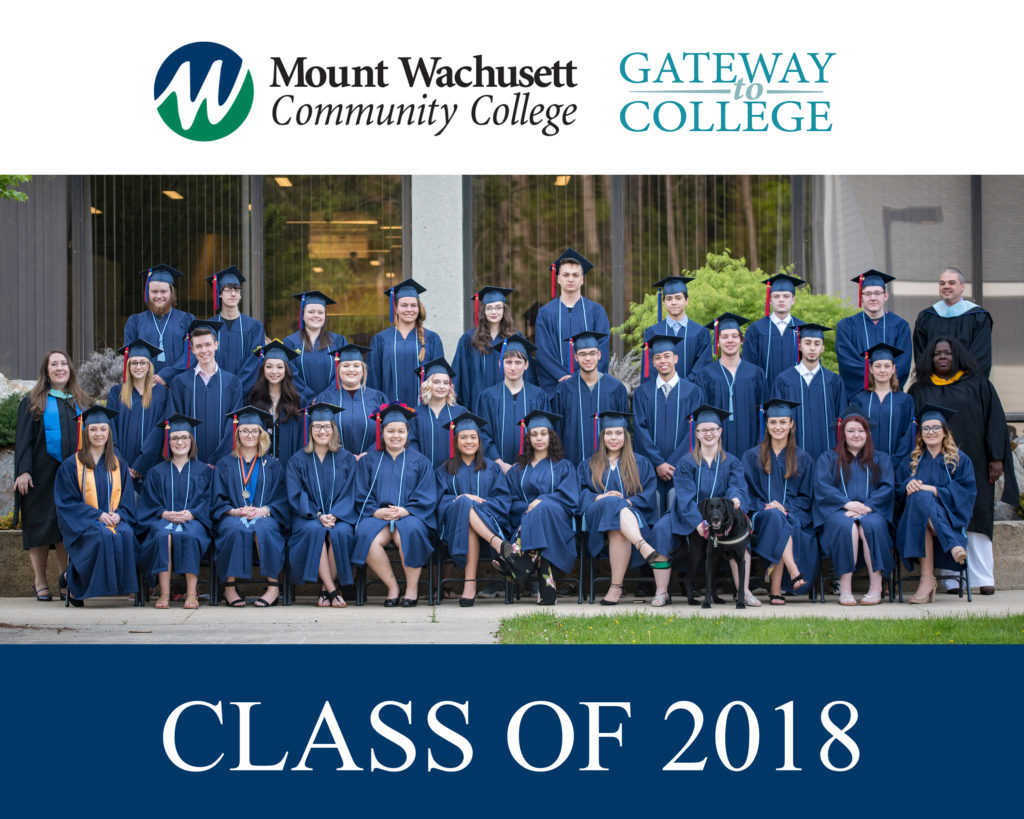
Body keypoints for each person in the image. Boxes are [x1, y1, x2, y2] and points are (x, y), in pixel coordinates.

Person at [907, 336, 1017, 595]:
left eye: (947, 353)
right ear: (929, 359)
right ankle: (951, 579)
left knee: (976, 516)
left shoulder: (978, 383)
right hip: (932, 465)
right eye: (937, 354)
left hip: (975, 462)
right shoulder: (920, 389)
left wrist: (996, 457)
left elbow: (995, 421)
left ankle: (982, 576)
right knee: (940, 511)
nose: (942, 357)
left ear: (957, 356)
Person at [651, 405, 757, 607]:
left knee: (741, 534)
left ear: (720, 431)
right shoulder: (686, 463)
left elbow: (737, 487)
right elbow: (684, 497)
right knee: (661, 529)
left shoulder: (733, 462)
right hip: (686, 514)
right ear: (696, 433)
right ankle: (662, 591)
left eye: (713, 429)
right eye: (703, 430)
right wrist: (698, 522)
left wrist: (735, 500)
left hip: (723, 517)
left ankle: (743, 591)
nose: (708, 434)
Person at [14, 350, 91, 601]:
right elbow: (23, 440)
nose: (59, 368)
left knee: (64, 526)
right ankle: (40, 580)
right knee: (38, 525)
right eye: (53, 364)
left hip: (71, 475)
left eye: (63, 364)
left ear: (70, 369)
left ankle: (65, 577)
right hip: (41, 473)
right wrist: (23, 471)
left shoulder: (80, 401)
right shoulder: (34, 400)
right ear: (46, 371)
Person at [54, 406, 140, 606]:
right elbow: (67, 502)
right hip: (84, 523)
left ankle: (118, 588)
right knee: (101, 535)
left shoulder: (118, 464)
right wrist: (98, 515)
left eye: (103, 429)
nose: (98, 434)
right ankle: (75, 584)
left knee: (125, 533)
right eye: (93, 429)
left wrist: (119, 515)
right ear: (85, 432)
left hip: (115, 519)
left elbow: (127, 500)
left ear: (109, 432)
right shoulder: (71, 465)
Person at [352, 403, 436, 606]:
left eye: (400, 431)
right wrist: (376, 511)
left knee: (412, 533)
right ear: (382, 433)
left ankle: (412, 589)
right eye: (390, 431)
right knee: (365, 536)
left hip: (410, 515)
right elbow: (361, 492)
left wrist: (406, 510)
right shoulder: (369, 460)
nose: (395, 435)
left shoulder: (421, 461)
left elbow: (426, 493)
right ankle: (392, 587)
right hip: (378, 516)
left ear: (408, 433)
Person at [577, 411, 662, 605]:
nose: (613, 438)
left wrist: (626, 502)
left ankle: (615, 588)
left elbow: (648, 495)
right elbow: (580, 495)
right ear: (602, 436)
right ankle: (642, 545)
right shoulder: (588, 464)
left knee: (618, 527)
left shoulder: (641, 463)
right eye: (608, 433)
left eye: (618, 433)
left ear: (626, 436)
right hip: (596, 516)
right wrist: (601, 497)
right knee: (611, 503)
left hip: (629, 517)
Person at [895, 405, 976, 603]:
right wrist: (908, 484)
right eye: (926, 429)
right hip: (915, 522)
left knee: (922, 498)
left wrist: (935, 490)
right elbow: (897, 490)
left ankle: (927, 580)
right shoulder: (911, 461)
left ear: (944, 432)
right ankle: (953, 545)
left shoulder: (959, 460)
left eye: (935, 428)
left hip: (950, 518)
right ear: (920, 434)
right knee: (918, 497)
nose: (930, 432)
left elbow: (967, 492)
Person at [813, 409, 895, 606]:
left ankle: (875, 588)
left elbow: (887, 487)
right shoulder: (828, 458)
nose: (856, 435)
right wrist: (847, 504)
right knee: (845, 525)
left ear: (868, 433)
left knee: (872, 525)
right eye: (850, 431)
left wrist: (866, 507)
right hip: (839, 511)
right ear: (842, 434)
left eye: (861, 430)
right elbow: (822, 486)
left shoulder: (881, 458)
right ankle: (845, 587)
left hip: (872, 511)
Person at [211, 406, 291, 607]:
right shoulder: (224, 464)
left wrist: (264, 510)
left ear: (261, 433)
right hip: (233, 515)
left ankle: (273, 587)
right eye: (244, 431)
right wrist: (235, 511)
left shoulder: (272, 464)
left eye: (254, 430)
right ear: (237, 434)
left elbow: (281, 498)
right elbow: (217, 499)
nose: (249, 435)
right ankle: (229, 588)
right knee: (233, 528)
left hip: (264, 515)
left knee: (265, 528)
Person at [435, 412, 514, 606]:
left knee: (467, 511)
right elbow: (437, 502)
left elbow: (502, 500)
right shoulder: (444, 469)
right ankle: (498, 545)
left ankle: (469, 585)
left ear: (479, 441)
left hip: (488, 520)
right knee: (463, 504)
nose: (468, 441)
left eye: (473, 437)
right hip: (453, 526)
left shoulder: (492, 468)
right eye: (463, 437)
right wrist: (462, 498)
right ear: (455, 441)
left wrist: (475, 505)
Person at [742, 398, 816, 604]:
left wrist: (785, 508)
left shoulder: (803, 458)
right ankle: (792, 572)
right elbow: (744, 492)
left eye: (783, 422)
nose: (778, 427)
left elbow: (806, 497)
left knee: (780, 518)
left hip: (792, 514)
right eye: (773, 422)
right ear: (766, 424)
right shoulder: (751, 456)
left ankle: (776, 589)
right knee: (775, 516)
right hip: (759, 516)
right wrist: (765, 506)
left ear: (791, 424)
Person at [286, 402, 357, 608]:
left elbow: (351, 491)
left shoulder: (346, 458)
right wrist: (317, 515)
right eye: (316, 427)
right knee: (314, 531)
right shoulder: (297, 460)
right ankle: (333, 589)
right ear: (309, 429)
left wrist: (335, 514)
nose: (322, 431)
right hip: (307, 516)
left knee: (341, 533)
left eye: (327, 426)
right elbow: (295, 493)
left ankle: (326, 591)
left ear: (334, 429)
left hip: (340, 516)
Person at [137, 414, 212, 609]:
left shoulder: (203, 471)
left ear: (191, 440)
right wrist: (163, 513)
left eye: (184, 437)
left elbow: (208, 500)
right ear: (168, 442)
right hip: (163, 520)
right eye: (174, 438)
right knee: (163, 535)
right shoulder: (156, 472)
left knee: (191, 533)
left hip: (194, 520)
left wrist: (192, 514)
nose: (180, 442)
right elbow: (148, 503)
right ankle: (164, 593)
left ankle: (192, 594)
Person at [504, 410, 580, 605]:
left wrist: (543, 501)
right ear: (528, 438)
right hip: (525, 518)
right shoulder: (517, 470)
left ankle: (520, 559)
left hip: (558, 520)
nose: (539, 438)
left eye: (543, 433)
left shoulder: (564, 466)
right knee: (540, 515)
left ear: (551, 436)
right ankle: (547, 589)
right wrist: (532, 507)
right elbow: (510, 502)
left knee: (544, 510)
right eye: (534, 434)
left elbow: (570, 498)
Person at [633, 333, 705, 514]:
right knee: (652, 511)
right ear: (653, 362)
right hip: (651, 468)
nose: (662, 361)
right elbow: (640, 429)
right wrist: (658, 463)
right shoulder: (642, 393)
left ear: (676, 358)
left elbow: (694, 430)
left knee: (679, 512)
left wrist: (674, 464)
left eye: (667, 356)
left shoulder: (693, 392)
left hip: (682, 466)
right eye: (657, 357)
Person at [533, 248, 610, 392]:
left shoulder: (596, 311)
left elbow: (603, 348)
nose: (570, 279)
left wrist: (583, 378)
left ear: (582, 279)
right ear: (558, 279)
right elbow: (543, 352)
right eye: (566, 275)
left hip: (589, 387)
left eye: (575, 275)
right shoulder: (545, 313)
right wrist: (562, 376)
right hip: (557, 387)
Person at [169, 319, 242, 466]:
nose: (204, 350)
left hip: (223, 463)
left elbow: (234, 426)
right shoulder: (180, 382)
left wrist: (218, 459)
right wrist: (188, 458)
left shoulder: (232, 382)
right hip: (189, 462)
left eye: (208, 344)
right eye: (199, 346)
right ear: (192, 349)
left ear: (216, 345)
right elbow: (176, 422)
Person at [770, 323, 846, 460]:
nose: (812, 348)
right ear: (799, 346)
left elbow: (842, 419)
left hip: (828, 453)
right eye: (807, 343)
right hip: (792, 455)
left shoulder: (834, 381)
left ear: (822, 348)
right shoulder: (783, 380)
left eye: (817, 344)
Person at [694, 313, 766, 457]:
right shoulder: (706, 374)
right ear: (718, 342)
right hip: (716, 449)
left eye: (734, 336)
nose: (730, 340)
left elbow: (764, 412)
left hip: (752, 447)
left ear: (741, 340)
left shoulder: (755, 373)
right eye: (724, 337)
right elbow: (703, 415)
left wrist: (760, 445)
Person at [552, 330, 629, 466]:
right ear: (576, 357)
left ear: (599, 355)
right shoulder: (564, 389)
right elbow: (558, 429)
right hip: (571, 463)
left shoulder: (616, 388)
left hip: (608, 466)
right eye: (583, 354)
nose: (588, 358)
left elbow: (624, 429)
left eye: (592, 353)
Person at [475, 334, 550, 472]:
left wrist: (530, 463)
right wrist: (498, 462)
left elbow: (546, 434)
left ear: (526, 365)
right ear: (500, 364)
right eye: (508, 362)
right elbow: (483, 434)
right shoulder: (487, 397)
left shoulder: (539, 396)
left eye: (518, 362)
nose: (513, 367)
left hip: (531, 470)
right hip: (495, 469)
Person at [835, 270, 912, 398]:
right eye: (868, 293)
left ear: (885, 296)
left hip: (891, 397)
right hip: (858, 397)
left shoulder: (900, 326)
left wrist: (884, 386)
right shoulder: (846, 326)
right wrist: (875, 380)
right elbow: (847, 361)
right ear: (861, 296)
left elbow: (903, 362)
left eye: (877, 293)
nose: (873, 298)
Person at [368, 278, 444, 406]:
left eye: (413, 305)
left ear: (419, 308)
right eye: (404, 305)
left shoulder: (431, 338)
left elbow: (439, 377)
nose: (409, 309)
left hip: (424, 409)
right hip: (390, 410)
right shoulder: (381, 339)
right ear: (395, 308)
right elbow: (373, 378)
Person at [107, 339, 169, 489]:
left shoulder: (162, 393)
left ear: (149, 366)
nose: (138, 367)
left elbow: (160, 430)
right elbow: (110, 428)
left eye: (143, 363)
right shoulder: (117, 392)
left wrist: (141, 464)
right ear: (128, 366)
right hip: (122, 466)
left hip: (152, 465)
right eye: (134, 363)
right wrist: (120, 464)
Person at [913, 267, 993, 378]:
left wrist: (963, 383)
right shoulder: (926, 317)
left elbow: (981, 356)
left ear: (962, 286)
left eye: (951, 283)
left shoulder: (978, 317)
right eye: (942, 283)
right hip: (934, 386)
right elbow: (921, 355)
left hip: (967, 387)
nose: (946, 286)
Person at [122, 264, 195, 385]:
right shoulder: (135, 322)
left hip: (177, 386)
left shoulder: (186, 320)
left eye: (163, 291)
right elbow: (130, 355)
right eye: (154, 292)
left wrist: (166, 376)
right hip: (145, 387)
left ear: (172, 293)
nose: (159, 296)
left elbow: (191, 353)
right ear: (147, 293)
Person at [313, 343, 388, 458]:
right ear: (338, 369)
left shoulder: (378, 398)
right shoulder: (325, 398)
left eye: (356, 366)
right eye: (346, 365)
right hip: (335, 462)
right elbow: (319, 432)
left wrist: (370, 453)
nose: (351, 370)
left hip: (372, 461)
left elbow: (389, 429)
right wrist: (344, 455)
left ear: (363, 370)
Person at [848, 342, 915, 467]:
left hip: (897, 466)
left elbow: (908, 435)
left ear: (893, 369)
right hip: (864, 465)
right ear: (871, 369)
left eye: (887, 366)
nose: (882, 370)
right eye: (878, 366)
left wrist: (894, 463)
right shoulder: (858, 400)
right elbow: (853, 433)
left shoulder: (905, 400)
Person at [452, 286, 519, 410]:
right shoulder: (468, 339)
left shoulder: (515, 338)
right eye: (489, 308)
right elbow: (459, 372)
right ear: (483, 311)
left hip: (508, 403)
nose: (494, 312)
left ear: (504, 310)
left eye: (498, 308)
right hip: (477, 404)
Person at [206, 265, 266, 395]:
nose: (233, 294)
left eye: (237, 290)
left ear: (240, 296)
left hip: (245, 393)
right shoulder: (209, 327)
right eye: (228, 290)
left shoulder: (254, 326)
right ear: (219, 294)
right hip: (214, 391)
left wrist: (236, 386)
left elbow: (254, 362)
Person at [641, 275, 712, 383]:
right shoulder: (652, 332)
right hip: (661, 395)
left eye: (678, 298)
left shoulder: (701, 333)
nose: (673, 302)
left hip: (691, 395)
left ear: (686, 300)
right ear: (664, 302)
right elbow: (649, 368)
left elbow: (702, 368)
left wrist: (684, 388)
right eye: (669, 298)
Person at [741, 272, 806, 388]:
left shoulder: (803, 329)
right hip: (765, 397)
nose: (781, 300)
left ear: (793, 300)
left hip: (797, 394)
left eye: (786, 296)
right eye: (776, 296)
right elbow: (748, 368)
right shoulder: (755, 330)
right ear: (770, 300)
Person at [283, 290, 347, 403]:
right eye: (311, 312)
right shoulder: (290, 343)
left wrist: (325, 397)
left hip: (332, 402)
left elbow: (344, 371)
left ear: (325, 316)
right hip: (300, 403)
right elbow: (290, 374)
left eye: (320, 312)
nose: (316, 316)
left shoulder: (338, 341)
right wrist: (310, 397)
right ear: (302, 315)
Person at [247, 340, 303, 465]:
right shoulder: (253, 399)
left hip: (289, 468)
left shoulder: (298, 401)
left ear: (286, 370)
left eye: (279, 367)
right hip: (260, 470)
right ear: (263, 369)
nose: (274, 371)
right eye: (269, 366)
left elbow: (301, 440)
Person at [410, 357, 472, 468]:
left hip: (453, 473)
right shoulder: (415, 415)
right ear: (427, 385)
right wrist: (421, 467)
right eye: (436, 382)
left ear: (450, 386)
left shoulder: (460, 413)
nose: (442, 386)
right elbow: (411, 444)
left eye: (446, 383)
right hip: (422, 473)